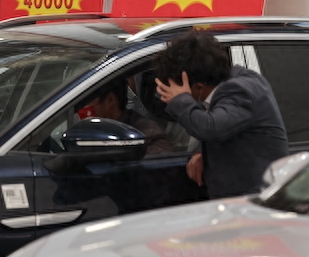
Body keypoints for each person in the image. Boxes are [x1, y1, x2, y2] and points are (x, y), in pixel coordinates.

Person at [153, 29, 289, 199]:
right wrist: (201, 150)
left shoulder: (240, 90)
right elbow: (226, 124)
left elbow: (212, 127)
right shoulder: (228, 88)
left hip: (258, 200)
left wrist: (180, 101)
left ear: (199, 87)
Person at [77, 78, 173, 155]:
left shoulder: (146, 136)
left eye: (86, 102)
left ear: (110, 100)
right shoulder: (93, 130)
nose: (81, 110)